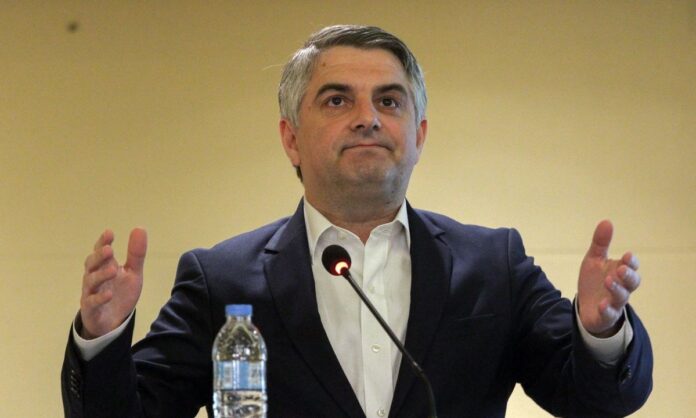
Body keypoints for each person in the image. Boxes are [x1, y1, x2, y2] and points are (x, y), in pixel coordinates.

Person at [62, 25, 652, 418]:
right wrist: (102, 339)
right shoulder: (222, 280)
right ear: (291, 138)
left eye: (390, 101)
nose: (368, 118)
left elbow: (595, 400)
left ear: (418, 135)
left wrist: (601, 332)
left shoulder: (493, 265)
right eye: (338, 100)